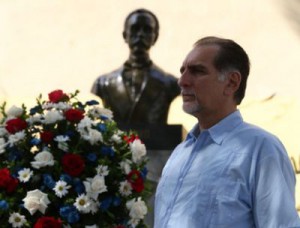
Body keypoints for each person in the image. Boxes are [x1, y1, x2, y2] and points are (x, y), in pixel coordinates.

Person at [154, 36, 300, 227]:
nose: (182, 81)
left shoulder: (261, 150)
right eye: (182, 71)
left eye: (197, 71)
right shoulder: (179, 153)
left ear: (231, 82)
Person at [91, 8, 180, 124]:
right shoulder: (103, 83)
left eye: (147, 30)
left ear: (155, 37)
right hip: (115, 141)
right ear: (125, 35)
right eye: (135, 29)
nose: (140, 34)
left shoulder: (170, 83)